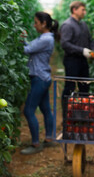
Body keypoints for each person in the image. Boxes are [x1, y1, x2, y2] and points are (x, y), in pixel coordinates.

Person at [21, 12, 59, 155]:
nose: (34, 25)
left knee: (29, 110)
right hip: (43, 77)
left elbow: (27, 50)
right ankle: (49, 139)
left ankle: (36, 144)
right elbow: (31, 47)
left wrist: (15, 41)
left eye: (36, 22)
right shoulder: (46, 38)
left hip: (39, 78)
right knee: (45, 109)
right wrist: (24, 40)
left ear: (44, 24)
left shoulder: (45, 39)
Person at [60, 1, 94, 105]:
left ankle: (83, 114)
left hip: (82, 60)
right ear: (74, 10)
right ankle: (67, 116)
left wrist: (92, 51)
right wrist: (82, 50)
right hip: (71, 60)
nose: (84, 12)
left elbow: (90, 40)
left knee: (85, 87)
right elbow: (65, 44)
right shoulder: (67, 25)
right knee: (70, 87)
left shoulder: (83, 25)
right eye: (82, 10)